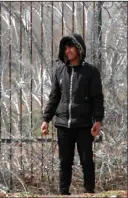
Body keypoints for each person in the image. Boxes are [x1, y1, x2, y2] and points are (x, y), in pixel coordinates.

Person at [41, 33, 104, 195]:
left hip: (84, 125)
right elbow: (54, 97)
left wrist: (98, 120)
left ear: (79, 48)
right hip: (63, 124)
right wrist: (46, 119)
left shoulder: (91, 72)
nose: (68, 50)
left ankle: (89, 192)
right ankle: (63, 192)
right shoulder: (59, 71)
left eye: (71, 46)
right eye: (65, 47)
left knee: (86, 160)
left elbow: (97, 98)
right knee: (64, 162)